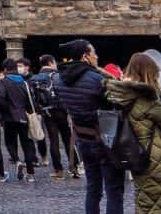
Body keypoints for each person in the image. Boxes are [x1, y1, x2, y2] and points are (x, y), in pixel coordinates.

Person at [104, 52, 161, 213]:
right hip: (157, 157)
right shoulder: (146, 98)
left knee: (147, 199)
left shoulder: (119, 96)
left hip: (137, 155)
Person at [54, 39, 125, 214]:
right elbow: (116, 104)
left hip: (82, 138)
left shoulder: (59, 79)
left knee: (93, 188)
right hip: (104, 139)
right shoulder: (97, 79)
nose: (97, 56)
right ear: (85, 56)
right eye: (94, 53)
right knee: (114, 189)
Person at [32, 53, 76, 180]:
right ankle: (74, 167)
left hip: (47, 112)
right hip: (62, 110)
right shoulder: (59, 76)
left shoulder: (35, 78)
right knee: (68, 139)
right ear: (51, 63)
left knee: (53, 140)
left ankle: (58, 170)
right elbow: (67, 92)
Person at [0, 58, 37, 182]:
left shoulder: (3, 82)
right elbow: (30, 100)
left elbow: (1, 98)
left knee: (10, 143)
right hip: (23, 116)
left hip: (9, 118)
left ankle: (17, 160)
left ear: (5, 69)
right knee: (27, 145)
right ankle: (30, 173)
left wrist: (3, 111)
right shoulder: (24, 82)